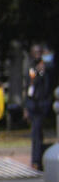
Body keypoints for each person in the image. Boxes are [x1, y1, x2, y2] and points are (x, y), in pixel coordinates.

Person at [26, 41, 54, 173]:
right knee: (36, 133)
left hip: (43, 104)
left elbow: (51, 66)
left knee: (38, 133)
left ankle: (37, 160)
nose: (38, 55)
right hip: (34, 105)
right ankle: (36, 161)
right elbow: (29, 88)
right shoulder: (32, 68)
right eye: (35, 52)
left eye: (40, 52)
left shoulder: (47, 67)